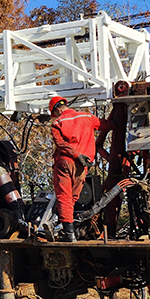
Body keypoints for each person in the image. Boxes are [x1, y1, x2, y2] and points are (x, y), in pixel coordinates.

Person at [49, 96, 113, 242]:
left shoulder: (57, 123)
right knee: (72, 198)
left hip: (65, 162)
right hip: (82, 166)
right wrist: (116, 123)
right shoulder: (86, 116)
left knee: (64, 197)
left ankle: (69, 234)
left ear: (58, 110)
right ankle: (69, 229)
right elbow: (104, 124)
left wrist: (76, 155)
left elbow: (61, 145)